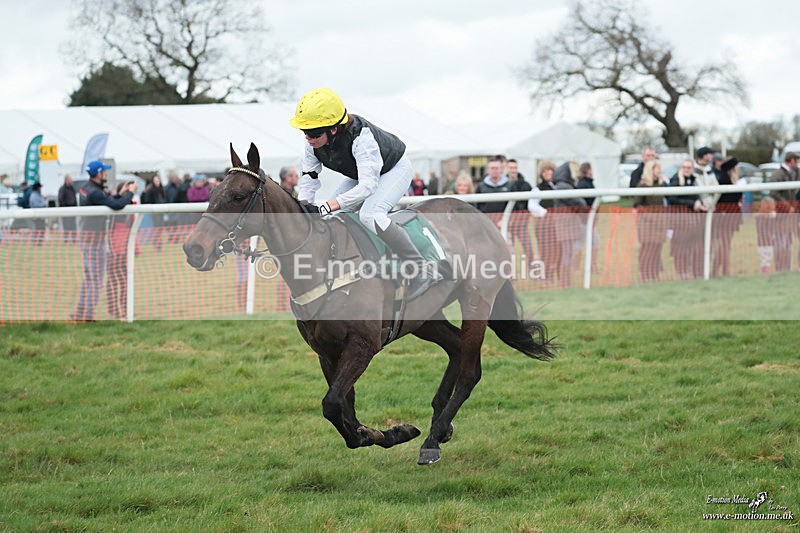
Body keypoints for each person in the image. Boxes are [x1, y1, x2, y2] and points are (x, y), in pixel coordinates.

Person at [289, 87, 441, 300]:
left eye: (313, 133)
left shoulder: (362, 137)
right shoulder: (312, 145)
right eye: (304, 132)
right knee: (332, 217)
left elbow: (368, 186)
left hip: (394, 169)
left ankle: (422, 269)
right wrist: (304, 205)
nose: (308, 138)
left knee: (370, 215)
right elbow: (309, 178)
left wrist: (326, 205)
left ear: (333, 129)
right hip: (361, 174)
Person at [73, 160, 137, 322]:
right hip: (95, 240)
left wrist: (120, 193)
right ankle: (87, 317)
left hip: (87, 239)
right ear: (98, 173)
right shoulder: (95, 192)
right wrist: (130, 194)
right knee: (96, 280)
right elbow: (116, 205)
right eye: (104, 172)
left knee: (88, 278)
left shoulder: (87, 189)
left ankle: (80, 313)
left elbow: (107, 201)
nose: (106, 174)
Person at [106, 182, 140, 319]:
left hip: (126, 248)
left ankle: (126, 309)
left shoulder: (132, 206)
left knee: (126, 281)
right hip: (115, 249)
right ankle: (115, 310)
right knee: (114, 280)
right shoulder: (115, 205)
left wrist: (134, 247)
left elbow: (133, 230)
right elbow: (116, 202)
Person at [667, 159, 707, 279]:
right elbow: (672, 199)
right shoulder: (675, 180)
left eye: (689, 167)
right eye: (684, 167)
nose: (686, 169)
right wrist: (691, 203)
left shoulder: (695, 180)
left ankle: (694, 273)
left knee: (694, 248)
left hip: (693, 221)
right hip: (679, 221)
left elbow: (698, 196)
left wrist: (699, 202)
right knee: (680, 249)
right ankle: (681, 272)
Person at [552, 161, 587, 287]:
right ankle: (565, 282)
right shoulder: (563, 186)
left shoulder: (563, 185)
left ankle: (566, 282)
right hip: (566, 223)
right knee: (568, 253)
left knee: (569, 253)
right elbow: (579, 202)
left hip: (567, 223)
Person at [634, 160, 667, 281]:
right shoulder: (643, 185)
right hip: (647, 222)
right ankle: (644, 273)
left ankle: (654, 273)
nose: (659, 171)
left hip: (659, 222)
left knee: (657, 249)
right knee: (647, 249)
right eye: (657, 168)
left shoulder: (661, 184)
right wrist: (650, 217)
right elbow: (637, 204)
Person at [711, 157, 743, 277]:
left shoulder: (732, 181)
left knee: (726, 245)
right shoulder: (724, 181)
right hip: (724, 217)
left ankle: (721, 270)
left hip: (730, 217)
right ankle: (720, 270)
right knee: (724, 245)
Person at [768, 152, 799, 272]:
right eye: (795, 161)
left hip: (789, 214)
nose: (796, 164)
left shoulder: (791, 174)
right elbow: (773, 192)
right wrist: (787, 206)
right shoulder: (778, 174)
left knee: (788, 242)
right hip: (780, 214)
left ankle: (787, 268)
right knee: (780, 242)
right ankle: (780, 268)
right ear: (790, 160)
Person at [506, 159, 535, 268]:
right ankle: (511, 275)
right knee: (508, 251)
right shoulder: (504, 184)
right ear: (506, 168)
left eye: (515, 168)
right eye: (511, 168)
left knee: (528, 247)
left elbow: (528, 204)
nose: (513, 170)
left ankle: (533, 272)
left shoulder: (525, 185)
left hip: (521, 223)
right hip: (506, 224)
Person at [535, 161, 559, 285]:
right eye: (545, 171)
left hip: (557, 225)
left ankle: (552, 276)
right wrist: (546, 213)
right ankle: (543, 277)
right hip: (543, 226)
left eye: (550, 170)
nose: (548, 173)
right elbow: (532, 205)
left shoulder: (557, 185)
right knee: (545, 252)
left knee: (556, 251)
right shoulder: (537, 188)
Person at [576, 162, 599, 272]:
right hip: (584, 220)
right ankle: (576, 267)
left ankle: (591, 265)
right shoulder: (583, 184)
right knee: (580, 244)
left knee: (594, 243)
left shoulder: (589, 183)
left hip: (590, 219)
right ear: (587, 170)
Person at [475, 157, 512, 222]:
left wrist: (506, 220)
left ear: (501, 169)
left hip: (504, 223)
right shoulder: (481, 186)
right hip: (485, 223)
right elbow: (476, 206)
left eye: (496, 168)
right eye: (492, 168)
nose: (494, 170)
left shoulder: (510, 185)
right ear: (488, 170)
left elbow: (514, 207)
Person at [141, 174, 166, 251]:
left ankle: (159, 246)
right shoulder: (151, 190)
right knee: (156, 230)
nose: (157, 182)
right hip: (155, 212)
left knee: (160, 230)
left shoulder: (162, 189)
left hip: (161, 212)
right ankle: (157, 246)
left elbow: (164, 198)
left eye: (158, 180)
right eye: (155, 180)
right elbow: (146, 200)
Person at [756, 197, 778, 274]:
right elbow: (761, 230)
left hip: (769, 240)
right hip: (763, 240)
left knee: (768, 255)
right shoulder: (760, 216)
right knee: (765, 256)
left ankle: (766, 269)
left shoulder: (772, 215)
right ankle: (765, 270)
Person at [694, 146, 719, 210]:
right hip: (697, 207)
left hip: (710, 207)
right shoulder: (693, 169)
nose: (712, 156)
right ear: (704, 155)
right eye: (710, 154)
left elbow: (716, 186)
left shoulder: (709, 169)